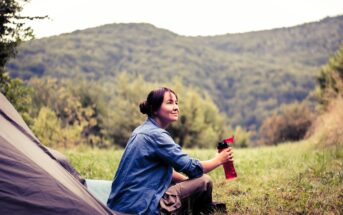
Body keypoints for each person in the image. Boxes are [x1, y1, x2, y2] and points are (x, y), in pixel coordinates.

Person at [107, 87, 233, 215]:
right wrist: (219, 160)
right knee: (204, 181)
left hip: (119, 207)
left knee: (190, 183)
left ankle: (201, 208)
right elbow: (192, 168)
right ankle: (205, 211)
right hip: (144, 210)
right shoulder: (157, 135)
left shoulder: (141, 131)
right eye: (170, 103)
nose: (176, 107)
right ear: (155, 110)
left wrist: (187, 183)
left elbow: (163, 170)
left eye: (176, 103)